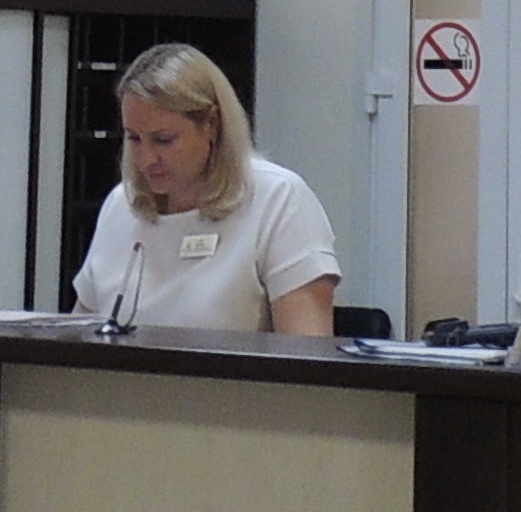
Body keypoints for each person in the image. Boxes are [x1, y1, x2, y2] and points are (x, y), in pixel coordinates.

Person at [69, 41, 340, 338]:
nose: (146, 159)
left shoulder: (278, 199)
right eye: (134, 139)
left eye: (163, 140)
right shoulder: (121, 204)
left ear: (211, 123)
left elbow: (305, 354)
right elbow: (80, 337)